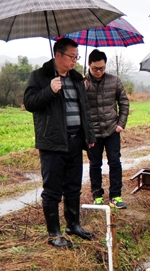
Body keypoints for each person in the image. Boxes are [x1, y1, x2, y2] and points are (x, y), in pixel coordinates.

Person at [24, 38, 97, 249]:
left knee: (73, 187)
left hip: (75, 142)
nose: (75, 61)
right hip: (53, 143)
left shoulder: (76, 78)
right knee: (53, 190)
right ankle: (54, 233)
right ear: (58, 55)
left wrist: (89, 136)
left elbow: (85, 110)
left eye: (77, 57)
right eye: (71, 57)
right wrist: (49, 90)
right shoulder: (39, 77)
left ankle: (73, 225)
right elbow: (29, 103)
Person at [85, 49, 130, 209]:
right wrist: (81, 90)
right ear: (89, 65)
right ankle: (97, 195)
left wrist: (121, 123)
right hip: (93, 133)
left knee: (115, 162)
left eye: (102, 68)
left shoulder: (114, 81)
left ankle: (115, 196)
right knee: (95, 164)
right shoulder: (82, 83)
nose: (99, 72)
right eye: (95, 68)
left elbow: (124, 102)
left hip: (112, 130)